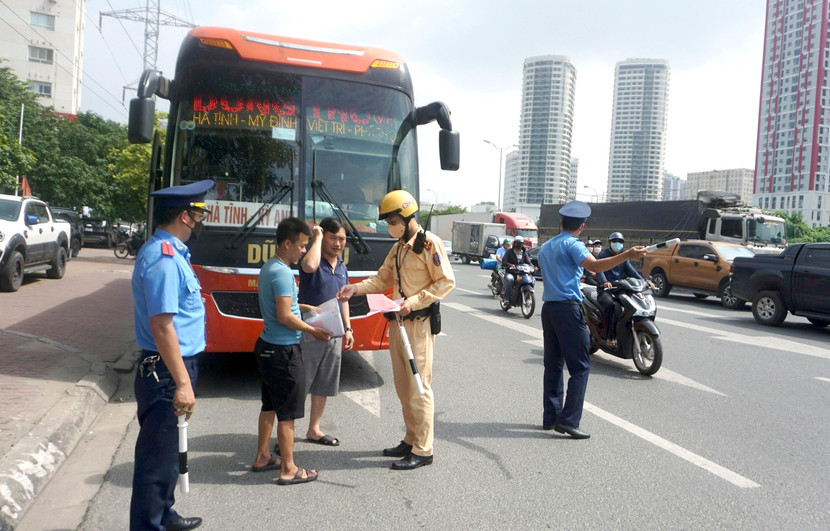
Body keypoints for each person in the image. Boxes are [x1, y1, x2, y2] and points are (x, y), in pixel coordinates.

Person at [337, 190, 455, 470]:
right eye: (388, 222)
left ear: (407, 217)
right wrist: (355, 288)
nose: (390, 226)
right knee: (403, 389)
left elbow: (445, 282)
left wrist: (413, 302)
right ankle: (410, 439)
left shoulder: (430, 244)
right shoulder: (399, 247)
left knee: (419, 388)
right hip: (397, 326)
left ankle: (423, 450)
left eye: (392, 221)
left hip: (418, 326)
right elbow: (382, 279)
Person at [130, 180, 215, 531]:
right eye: (199, 214)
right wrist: (182, 382)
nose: (200, 221)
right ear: (185, 216)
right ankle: (150, 525)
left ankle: (164, 515)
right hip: (166, 372)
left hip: (170, 368)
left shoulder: (172, 252)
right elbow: (163, 326)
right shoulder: (164, 259)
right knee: (156, 461)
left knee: (165, 455)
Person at [537, 201, 646, 439]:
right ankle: (568, 421)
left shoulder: (546, 247)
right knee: (580, 367)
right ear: (582, 227)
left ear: (561, 223)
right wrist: (628, 254)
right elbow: (595, 266)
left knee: (553, 365)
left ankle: (551, 418)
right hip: (568, 309)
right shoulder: (573, 244)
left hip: (549, 309)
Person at [253, 217, 331, 485]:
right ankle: (289, 468)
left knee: (269, 405)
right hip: (284, 351)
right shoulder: (284, 273)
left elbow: (284, 305)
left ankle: (262, 456)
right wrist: (313, 330)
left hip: (267, 346)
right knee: (287, 412)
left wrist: (307, 308)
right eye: (301, 245)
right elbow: (285, 316)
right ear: (287, 243)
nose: (303, 251)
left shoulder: (270, 267)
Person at [297, 216, 354, 447]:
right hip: (309, 330)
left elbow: (344, 300)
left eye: (342, 239)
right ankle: (286, 432)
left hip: (334, 332)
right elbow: (309, 267)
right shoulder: (312, 259)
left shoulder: (342, 267)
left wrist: (348, 328)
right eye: (333, 238)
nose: (338, 243)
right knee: (300, 382)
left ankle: (314, 429)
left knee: (324, 383)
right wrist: (317, 237)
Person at [596, 232, 652, 343]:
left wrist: (645, 281)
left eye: (620, 241)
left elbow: (632, 272)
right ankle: (609, 336)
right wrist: (605, 282)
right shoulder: (603, 255)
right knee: (611, 306)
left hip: (619, 289)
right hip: (606, 290)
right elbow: (599, 270)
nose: (618, 243)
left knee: (633, 305)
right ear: (610, 243)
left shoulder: (623, 258)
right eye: (615, 241)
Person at [501, 236, 534, 302]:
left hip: (521, 273)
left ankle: (526, 295)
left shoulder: (524, 253)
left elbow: (529, 262)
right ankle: (506, 297)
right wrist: (510, 265)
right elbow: (504, 261)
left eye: (521, 243)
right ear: (514, 243)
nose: (519, 245)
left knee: (533, 280)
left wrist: (532, 267)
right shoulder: (509, 251)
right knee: (510, 279)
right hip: (511, 272)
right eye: (518, 243)